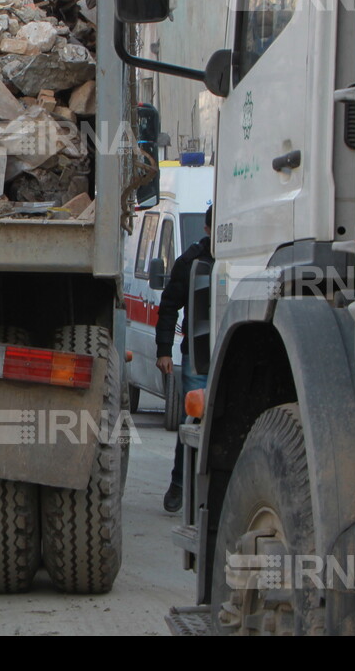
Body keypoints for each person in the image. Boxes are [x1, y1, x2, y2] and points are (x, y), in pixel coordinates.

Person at [158, 205, 214, 513]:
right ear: (207, 230)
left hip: (231, 354)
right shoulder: (191, 262)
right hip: (198, 355)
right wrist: (164, 350)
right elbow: (168, 307)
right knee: (192, 422)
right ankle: (180, 485)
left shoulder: (249, 263)